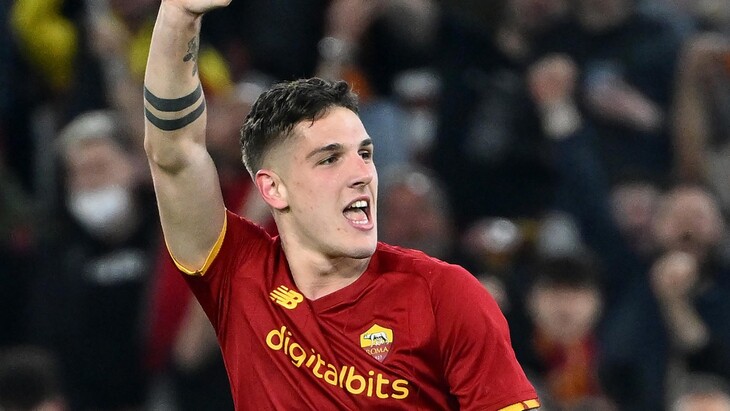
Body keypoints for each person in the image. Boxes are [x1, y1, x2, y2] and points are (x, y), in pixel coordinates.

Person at [142, 0, 540, 409]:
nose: (361, 173)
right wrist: (177, 16)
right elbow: (174, 155)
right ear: (273, 189)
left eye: (365, 154)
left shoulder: (445, 294)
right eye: (330, 159)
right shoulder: (243, 274)